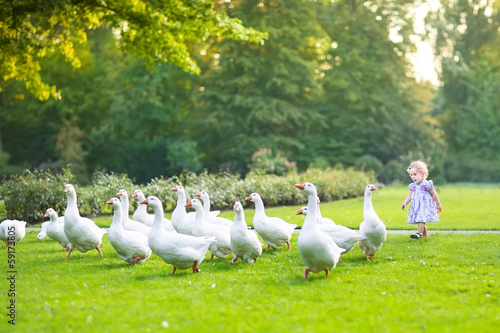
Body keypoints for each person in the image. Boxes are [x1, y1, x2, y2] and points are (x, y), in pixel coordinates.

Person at [401, 160, 442, 239]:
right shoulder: (413, 186)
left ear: (422, 174)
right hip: (417, 206)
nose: (413, 177)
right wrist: (405, 203)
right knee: (420, 220)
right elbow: (410, 196)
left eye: (415, 174)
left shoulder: (426, 184)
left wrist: (438, 204)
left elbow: (434, 194)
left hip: (425, 205)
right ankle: (425, 237)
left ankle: (419, 233)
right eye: (411, 175)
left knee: (421, 219)